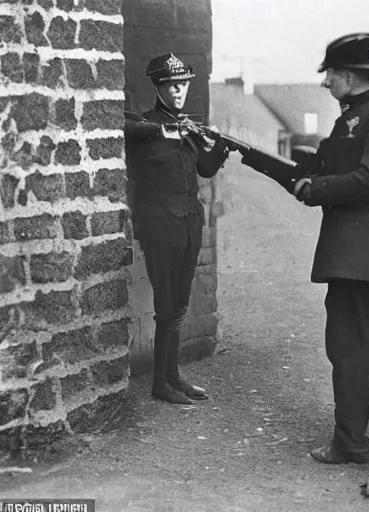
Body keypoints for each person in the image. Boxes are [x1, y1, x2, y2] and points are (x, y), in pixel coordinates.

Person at [240, 33, 369, 463]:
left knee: (349, 345)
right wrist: (255, 157)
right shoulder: (358, 116)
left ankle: (351, 443)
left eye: (330, 75)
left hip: (366, 252)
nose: (326, 83)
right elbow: (327, 165)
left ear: (348, 76)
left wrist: (316, 187)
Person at [124, 53, 235, 405]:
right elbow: (124, 128)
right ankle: (161, 382)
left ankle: (173, 376)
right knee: (166, 303)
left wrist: (220, 148)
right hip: (160, 224)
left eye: (183, 84)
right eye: (172, 85)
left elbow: (204, 169)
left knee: (180, 303)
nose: (179, 91)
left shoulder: (189, 128)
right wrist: (170, 130)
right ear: (158, 86)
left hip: (189, 221)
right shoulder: (147, 126)